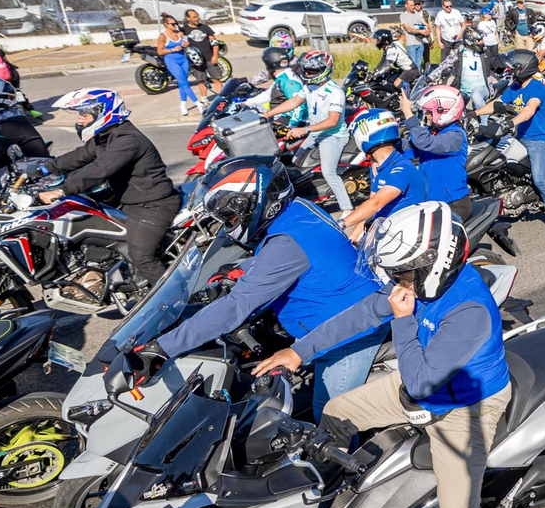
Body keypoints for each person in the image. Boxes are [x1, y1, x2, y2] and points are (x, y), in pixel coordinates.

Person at [255, 201, 513, 508]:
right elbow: (358, 316)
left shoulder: (468, 307)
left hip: (466, 406)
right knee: (336, 410)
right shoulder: (416, 285)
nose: (396, 282)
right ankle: (324, 505)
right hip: (425, 381)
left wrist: (403, 318)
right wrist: (298, 353)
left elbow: (419, 381)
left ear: (434, 264)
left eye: (403, 273)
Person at [142, 158, 382, 418]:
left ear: (254, 206)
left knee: (331, 418)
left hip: (348, 334)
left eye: (230, 216)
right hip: (341, 314)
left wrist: (162, 348)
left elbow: (237, 306)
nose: (228, 224)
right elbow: (299, 256)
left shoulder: (286, 242)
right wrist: (242, 269)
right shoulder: (299, 210)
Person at [44, 88, 181, 290]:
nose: (81, 120)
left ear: (103, 113)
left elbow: (99, 170)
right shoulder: (106, 136)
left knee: (141, 256)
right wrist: (43, 169)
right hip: (132, 202)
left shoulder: (127, 140)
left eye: (84, 114)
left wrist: (61, 191)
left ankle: (182, 297)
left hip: (153, 206)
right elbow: (79, 156)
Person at [500, 51, 545, 241]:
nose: (511, 71)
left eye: (514, 68)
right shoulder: (515, 86)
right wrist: (472, 112)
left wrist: (511, 123)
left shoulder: (537, 88)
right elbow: (498, 103)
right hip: (521, 136)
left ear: (523, 69)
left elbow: (529, 110)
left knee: (539, 179)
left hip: (539, 140)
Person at [281, 50, 352, 213]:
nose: (307, 73)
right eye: (305, 70)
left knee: (329, 172)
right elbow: (292, 103)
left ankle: (347, 210)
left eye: (311, 71)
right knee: (296, 162)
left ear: (323, 70)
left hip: (333, 135)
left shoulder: (335, 92)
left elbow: (332, 121)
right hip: (315, 133)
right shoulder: (309, 87)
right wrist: (267, 115)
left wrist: (305, 129)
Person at [340, 110, 423, 241]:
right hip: (384, 233)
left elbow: (376, 203)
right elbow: (370, 208)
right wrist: (351, 238)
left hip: (403, 238)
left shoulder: (402, 168)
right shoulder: (379, 167)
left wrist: (341, 224)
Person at [399, 84, 472, 221]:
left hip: (453, 204)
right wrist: (387, 145)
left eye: (429, 112)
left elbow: (425, 142)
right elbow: (411, 148)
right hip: (431, 203)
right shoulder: (433, 132)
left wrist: (408, 113)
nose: (426, 116)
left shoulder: (455, 136)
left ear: (443, 111)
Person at [156, 14, 201, 117]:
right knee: (185, 83)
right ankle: (198, 103)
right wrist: (172, 49)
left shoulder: (179, 34)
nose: (175, 25)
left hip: (183, 59)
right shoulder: (163, 36)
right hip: (172, 60)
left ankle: (183, 105)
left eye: (176, 23)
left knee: (182, 83)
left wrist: (186, 44)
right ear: (166, 24)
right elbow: (160, 51)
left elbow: (185, 42)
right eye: (172, 24)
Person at [181, 8, 222, 93]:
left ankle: (222, 98)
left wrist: (215, 56)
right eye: (194, 17)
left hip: (209, 58)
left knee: (216, 79)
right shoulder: (184, 30)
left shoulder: (205, 27)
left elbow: (214, 42)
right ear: (188, 18)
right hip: (196, 60)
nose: (196, 19)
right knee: (201, 81)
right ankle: (204, 100)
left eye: (197, 17)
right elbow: (181, 41)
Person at [399, 0, 431, 71]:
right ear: (406, 5)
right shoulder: (403, 15)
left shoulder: (415, 13)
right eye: (411, 5)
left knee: (418, 64)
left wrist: (428, 28)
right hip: (411, 43)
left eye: (413, 5)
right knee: (413, 64)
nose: (413, 7)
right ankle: (414, 79)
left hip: (420, 42)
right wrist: (420, 31)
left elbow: (423, 22)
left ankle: (419, 79)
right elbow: (408, 29)